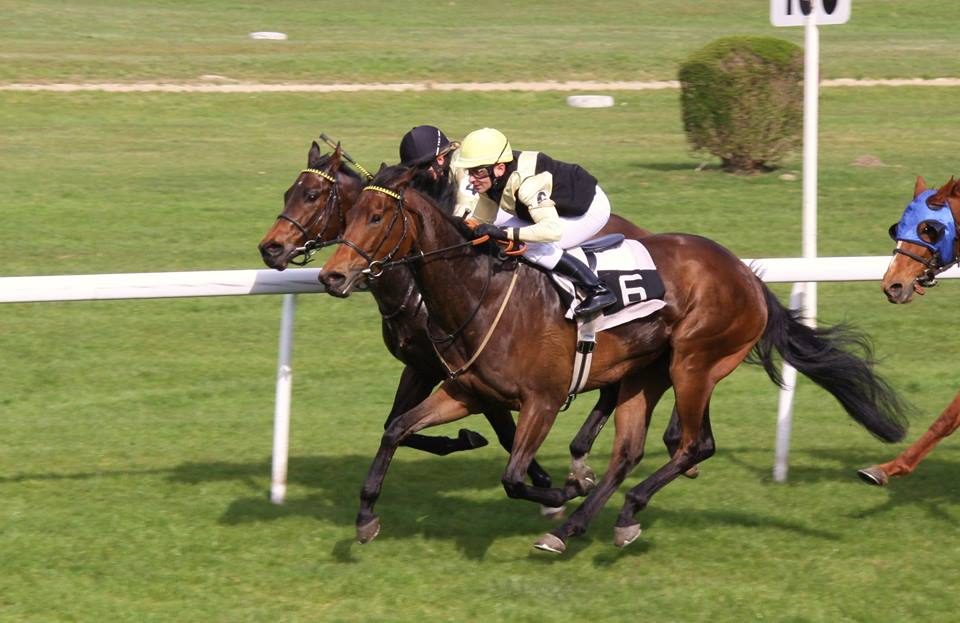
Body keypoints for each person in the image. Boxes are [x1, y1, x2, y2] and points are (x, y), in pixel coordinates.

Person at [450, 127, 617, 318]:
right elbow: (478, 222)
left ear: (499, 168)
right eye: (469, 171)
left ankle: (597, 289)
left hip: (587, 209)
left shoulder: (527, 184)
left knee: (528, 245)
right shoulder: (490, 178)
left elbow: (551, 231)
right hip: (549, 208)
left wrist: (506, 233)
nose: (471, 179)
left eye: (477, 172)